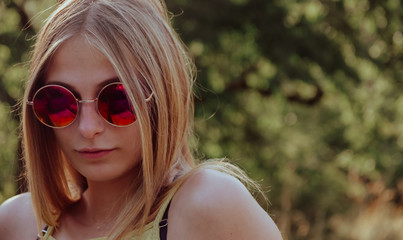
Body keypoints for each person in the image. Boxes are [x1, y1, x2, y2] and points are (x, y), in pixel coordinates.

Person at [0, 0, 283, 239]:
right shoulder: (18, 224)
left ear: (164, 96)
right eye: (59, 102)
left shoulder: (210, 205)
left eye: (119, 99)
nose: (88, 128)